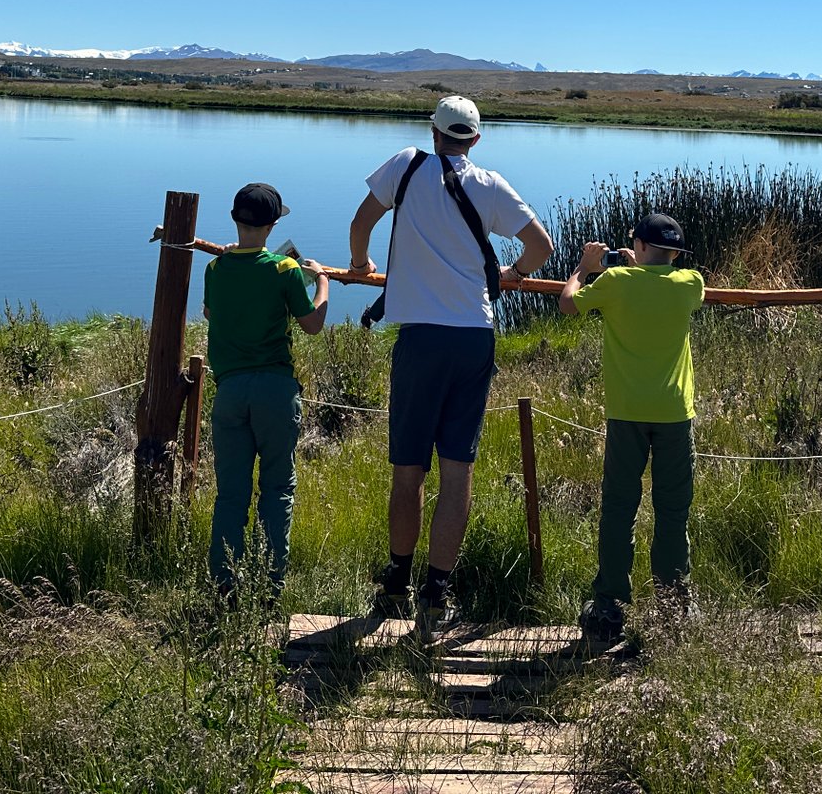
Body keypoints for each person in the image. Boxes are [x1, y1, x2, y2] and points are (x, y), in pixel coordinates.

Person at [348, 95, 554, 630]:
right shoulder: (490, 184)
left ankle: (396, 582)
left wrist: (360, 265)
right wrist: (513, 273)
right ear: (475, 140)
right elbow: (541, 246)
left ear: (433, 132)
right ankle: (436, 594)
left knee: (408, 470)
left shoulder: (405, 165)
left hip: (420, 340)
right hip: (473, 338)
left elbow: (361, 222)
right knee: (457, 470)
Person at [557, 211, 703, 643]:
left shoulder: (617, 282)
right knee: (673, 510)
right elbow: (660, 280)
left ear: (638, 245)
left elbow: (568, 303)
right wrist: (640, 264)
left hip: (626, 413)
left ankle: (610, 603)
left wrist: (583, 268)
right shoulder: (690, 284)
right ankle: (674, 602)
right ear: (676, 253)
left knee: (619, 509)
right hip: (674, 413)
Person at [203, 181, 329, 601]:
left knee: (231, 493)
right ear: (273, 225)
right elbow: (312, 325)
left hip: (230, 392)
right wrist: (322, 280)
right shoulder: (285, 269)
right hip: (275, 391)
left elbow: (211, 312)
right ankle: (269, 588)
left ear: (235, 220)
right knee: (276, 489)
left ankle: (224, 587)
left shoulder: (215, 268)